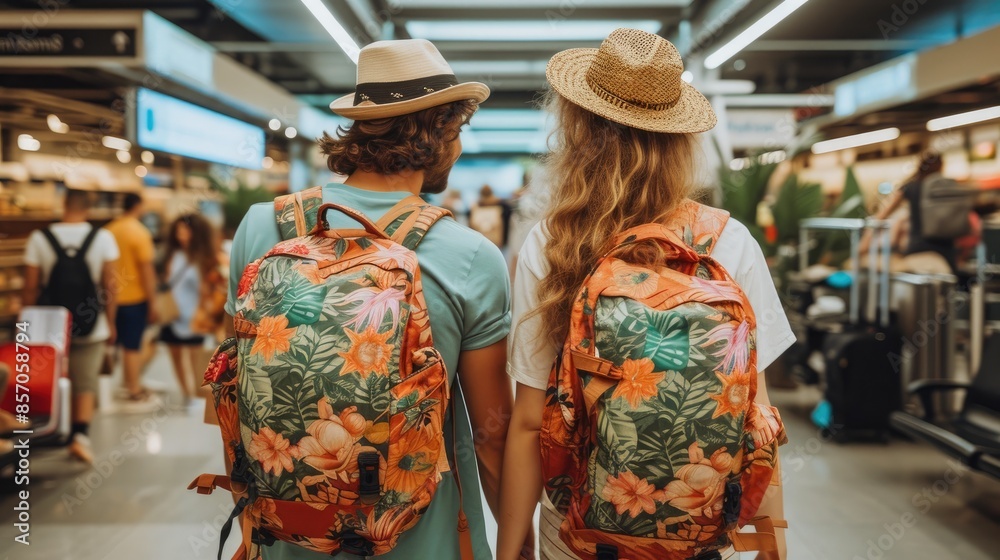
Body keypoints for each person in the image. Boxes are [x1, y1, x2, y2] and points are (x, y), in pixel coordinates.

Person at [497, 29, 795, 560]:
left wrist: (510, 546)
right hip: (697, 534)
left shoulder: (552, 242)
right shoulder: (729, 240)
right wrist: (771, 543)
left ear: (577, 126)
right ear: (680, 139)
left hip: (578, 533)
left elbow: (526, 423)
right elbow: (758, 415)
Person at [223, 38, 521, 559]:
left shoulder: (261, 227)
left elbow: (235, 389)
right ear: (443, 130)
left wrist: (256, 516)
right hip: (422, 533)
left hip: (287, 531)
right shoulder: (470, 255)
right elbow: (492, 434)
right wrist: (518, 547)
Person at [23, 188, 120, 463]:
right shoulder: (103, 237)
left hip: (48, 324)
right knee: (85, 381)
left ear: (63, 204)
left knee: (48, 377)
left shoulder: (39, 238)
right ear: (89, 207)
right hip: (91, 322)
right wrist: (111, 324)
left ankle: (45, 430)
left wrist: (24, 323)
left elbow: (30, 288)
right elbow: (110, 286)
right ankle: (79, 436)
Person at [105, 192, 160, 409]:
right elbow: (146, 272)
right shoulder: (139, 232)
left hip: (110, 298)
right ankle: (133, 388)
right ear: (138, 206)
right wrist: (153, 301)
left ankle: (126, 383)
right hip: (134, 298)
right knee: (132, 345)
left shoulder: (108, 230)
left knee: (115, 343)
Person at [862, 153, 957, 273]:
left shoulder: (911, 187)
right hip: (946, 246)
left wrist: (865, 240)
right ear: (941, 166)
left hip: (918, 246)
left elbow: (884, 212)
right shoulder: (948, 188)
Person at [161, 214, 218, 407]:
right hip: (173, 314)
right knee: (175, 355)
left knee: (197, 359)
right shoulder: (172, 255)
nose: (181, 235)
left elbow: (210, 288)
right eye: (178, 231)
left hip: (195, 315)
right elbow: (166, 282)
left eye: (185, 231)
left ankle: (196, 394)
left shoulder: (204, 258)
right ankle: (186, 393)